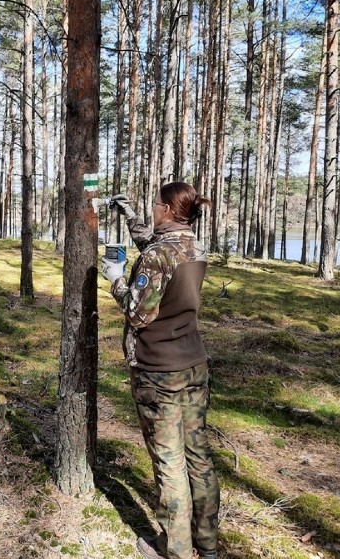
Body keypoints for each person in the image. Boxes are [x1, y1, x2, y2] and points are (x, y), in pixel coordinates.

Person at [101, 183, 220, 559]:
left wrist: (116, 278)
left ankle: (176, 549)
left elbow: (138, 313)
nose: (152, 209)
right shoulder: (194, 246)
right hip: (192, 365)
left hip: (159, 369)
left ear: (167, 210)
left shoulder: (157, 256)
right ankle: (207, 543)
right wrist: (132, 217)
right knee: (198, 455)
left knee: (169, 462)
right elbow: (159, 250)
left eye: (155, 205)